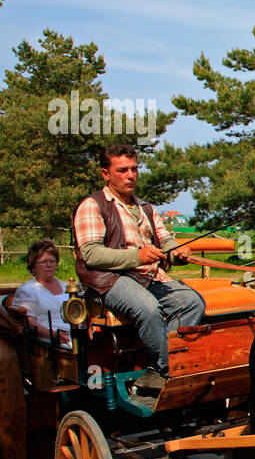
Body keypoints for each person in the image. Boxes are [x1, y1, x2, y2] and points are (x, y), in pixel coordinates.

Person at [73, 143, 203, 396]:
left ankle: (159, 367)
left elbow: (165, 242)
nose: (130, 175)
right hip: (110, 279)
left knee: (192, 302)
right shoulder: (92, 206)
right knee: (148, 308)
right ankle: (171, 369)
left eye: (134, 169)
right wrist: (137, 255)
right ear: (105, 174)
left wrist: (178, 252)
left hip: (148, 277)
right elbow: (90, 254)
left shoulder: (146, 208)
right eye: (122, 170)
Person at [11, 239, 72, 346]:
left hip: (74, 336)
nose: (49, 265)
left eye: (52, 261)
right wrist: (54, 335)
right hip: (47, 341)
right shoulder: (27, 290)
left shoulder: (67, 286)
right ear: (33, 266)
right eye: (44, 262)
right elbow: (28, 323)